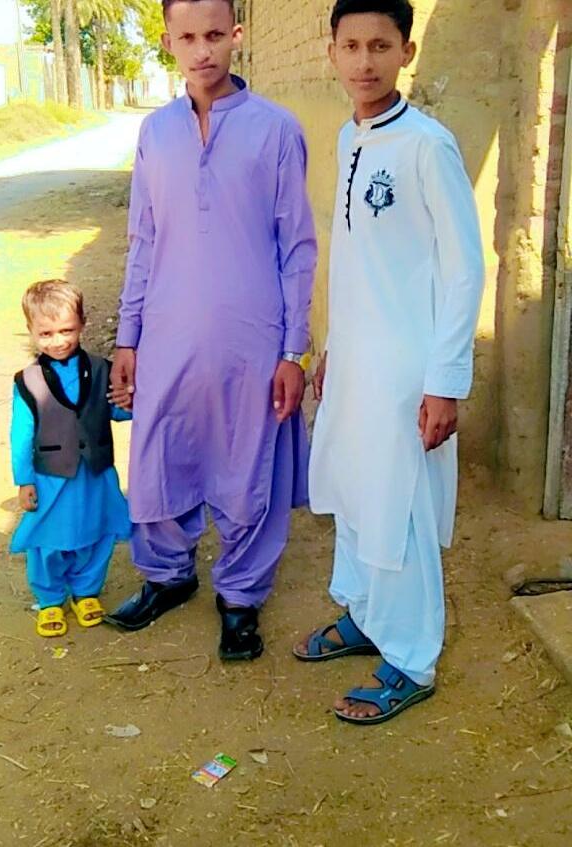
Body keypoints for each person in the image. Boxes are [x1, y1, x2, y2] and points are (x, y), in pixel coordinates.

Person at [104, 0, 317, 661]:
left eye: (216, 35)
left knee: (250, 462)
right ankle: (167, 576)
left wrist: (293, 349)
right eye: (189, 37)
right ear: (168, 41)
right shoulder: (156, 132)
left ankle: (241, 598)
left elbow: (297, 246)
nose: (203, 50)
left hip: (252, 337)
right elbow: (143, 239)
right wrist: (128, 336)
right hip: (166, 332)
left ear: (237, 36)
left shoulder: (275, 129)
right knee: (160, 453)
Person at [296, 0, 485, 723]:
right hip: (356, 360)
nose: (365, 61)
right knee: (354, 489)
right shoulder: (350, 136)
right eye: (351, 46)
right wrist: (333, 349)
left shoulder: (427, 146)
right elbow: (356, 261)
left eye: (381, 45)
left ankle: (411, 657)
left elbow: (464, 270)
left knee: (397, 505)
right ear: (332, 53)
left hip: (407, 366)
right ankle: (367, 615)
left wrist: (445, 381)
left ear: (406, 51)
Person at [10, 280, 132, 637]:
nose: (58, 341)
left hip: (95, 474)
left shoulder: (102, 369)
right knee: (48, 541)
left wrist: (129, 403)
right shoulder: (27, 381)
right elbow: (21, 436)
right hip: (51, 478)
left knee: (97, 534)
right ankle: (50, 598)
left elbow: (114, 410)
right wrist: (24, 480)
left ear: (82, 324)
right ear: (31, 330)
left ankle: (86, 591)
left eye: (67, 330)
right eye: (46, 334)